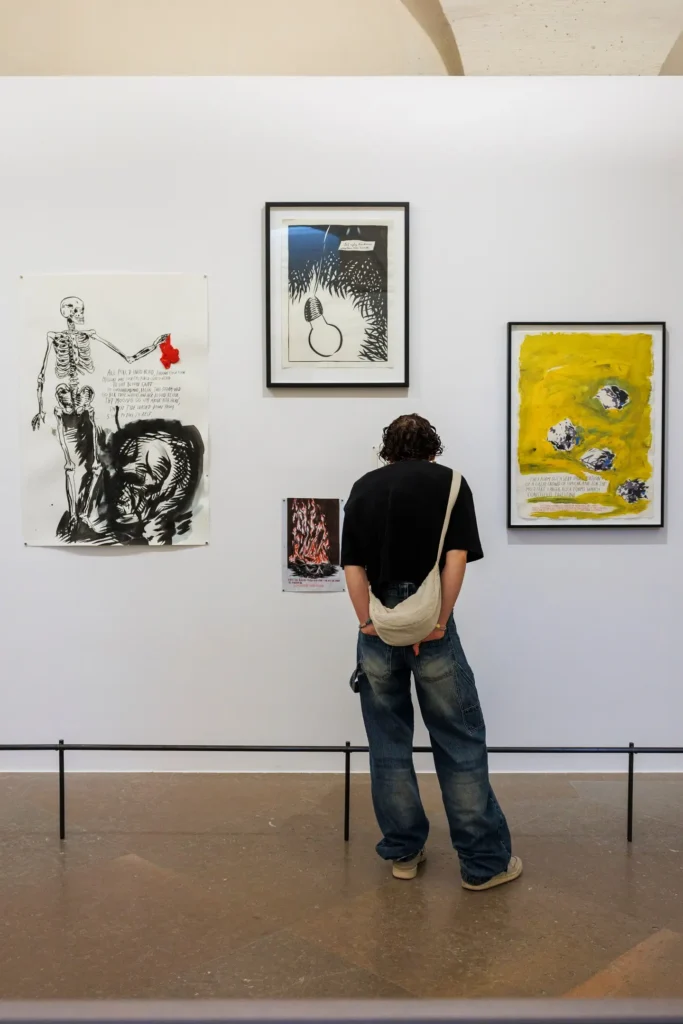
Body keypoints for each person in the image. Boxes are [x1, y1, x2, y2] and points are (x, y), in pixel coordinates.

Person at [341, 413, 522, 890]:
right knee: (458, 741)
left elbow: (353, 566)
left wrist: (367, 622)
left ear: (387, 449)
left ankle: (404, 852)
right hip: (430, 625)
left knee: (388, 743)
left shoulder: (364, 487)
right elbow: (455, 560)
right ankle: (483, 865)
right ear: (433, 448)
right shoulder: (452, 484)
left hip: (378, 623)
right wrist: (438, 622)